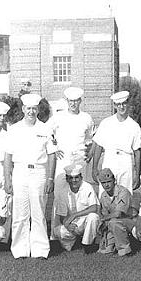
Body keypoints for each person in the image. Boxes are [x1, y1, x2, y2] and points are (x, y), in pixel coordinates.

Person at [4, 93, 57, 259]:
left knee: (39, 212)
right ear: (23, 109)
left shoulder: (46, 129)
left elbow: (52, 155)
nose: (31, 112)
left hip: (39, 173)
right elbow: (7, 156)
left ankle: (40, 250)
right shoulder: (14, 129)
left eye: (34, 109)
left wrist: (50, 178)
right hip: (20, 172)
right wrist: (7, 178)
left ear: (38, 110)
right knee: (20, 213)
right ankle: (20, 250)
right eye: (28, 109)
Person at [49, 86, 95, 239]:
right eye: (70, 101)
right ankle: (56, 234)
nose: (73, 104)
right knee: (60, 194)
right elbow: (46, 134)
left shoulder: (86, 118)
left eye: (76, 101)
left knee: (81, 193)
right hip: (63, 160)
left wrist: (88, 152)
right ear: (66, 101)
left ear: (80, 101)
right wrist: (54, 148)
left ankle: (83, 232)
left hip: (80, 160)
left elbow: (90, 139)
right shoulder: (58, 117)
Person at [92, 91, 141, 193]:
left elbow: (137, 152)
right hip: (109, 159)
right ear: (115, 105)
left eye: (124, 103)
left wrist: (137, 175)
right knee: (106, 196)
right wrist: (94, 168)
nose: (121, 107)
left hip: (125, 162)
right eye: (118, 104)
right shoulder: (106, 123)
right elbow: (98, 146)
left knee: (125, 195)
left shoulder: (134, 126)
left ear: (128, 104)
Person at [52, 164, 100, 253]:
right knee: (58, 231)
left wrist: (74, 215)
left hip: (85, 221)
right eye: (70, 178)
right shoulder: (63, 192)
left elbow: (94, 208)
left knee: (93, 217)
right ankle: (73, 244)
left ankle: (88, 245)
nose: (73, 180)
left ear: (81, 177)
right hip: (73, 224)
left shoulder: (87, 187)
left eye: (76, 177)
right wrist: (67, 225)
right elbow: (62, 216)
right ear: (67, 179)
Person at [96, 168, 138, 256]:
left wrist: (103, 219)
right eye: (103, 183)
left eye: (109, 181)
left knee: (114, 222)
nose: (106, 185)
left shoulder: (123, 192)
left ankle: (125, 250)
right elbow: (105, 214)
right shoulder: (103, 195)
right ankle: (111, 245)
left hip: (132, 220)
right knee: (105, 251)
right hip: (114, 222)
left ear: (114, 180)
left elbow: (119, 213)